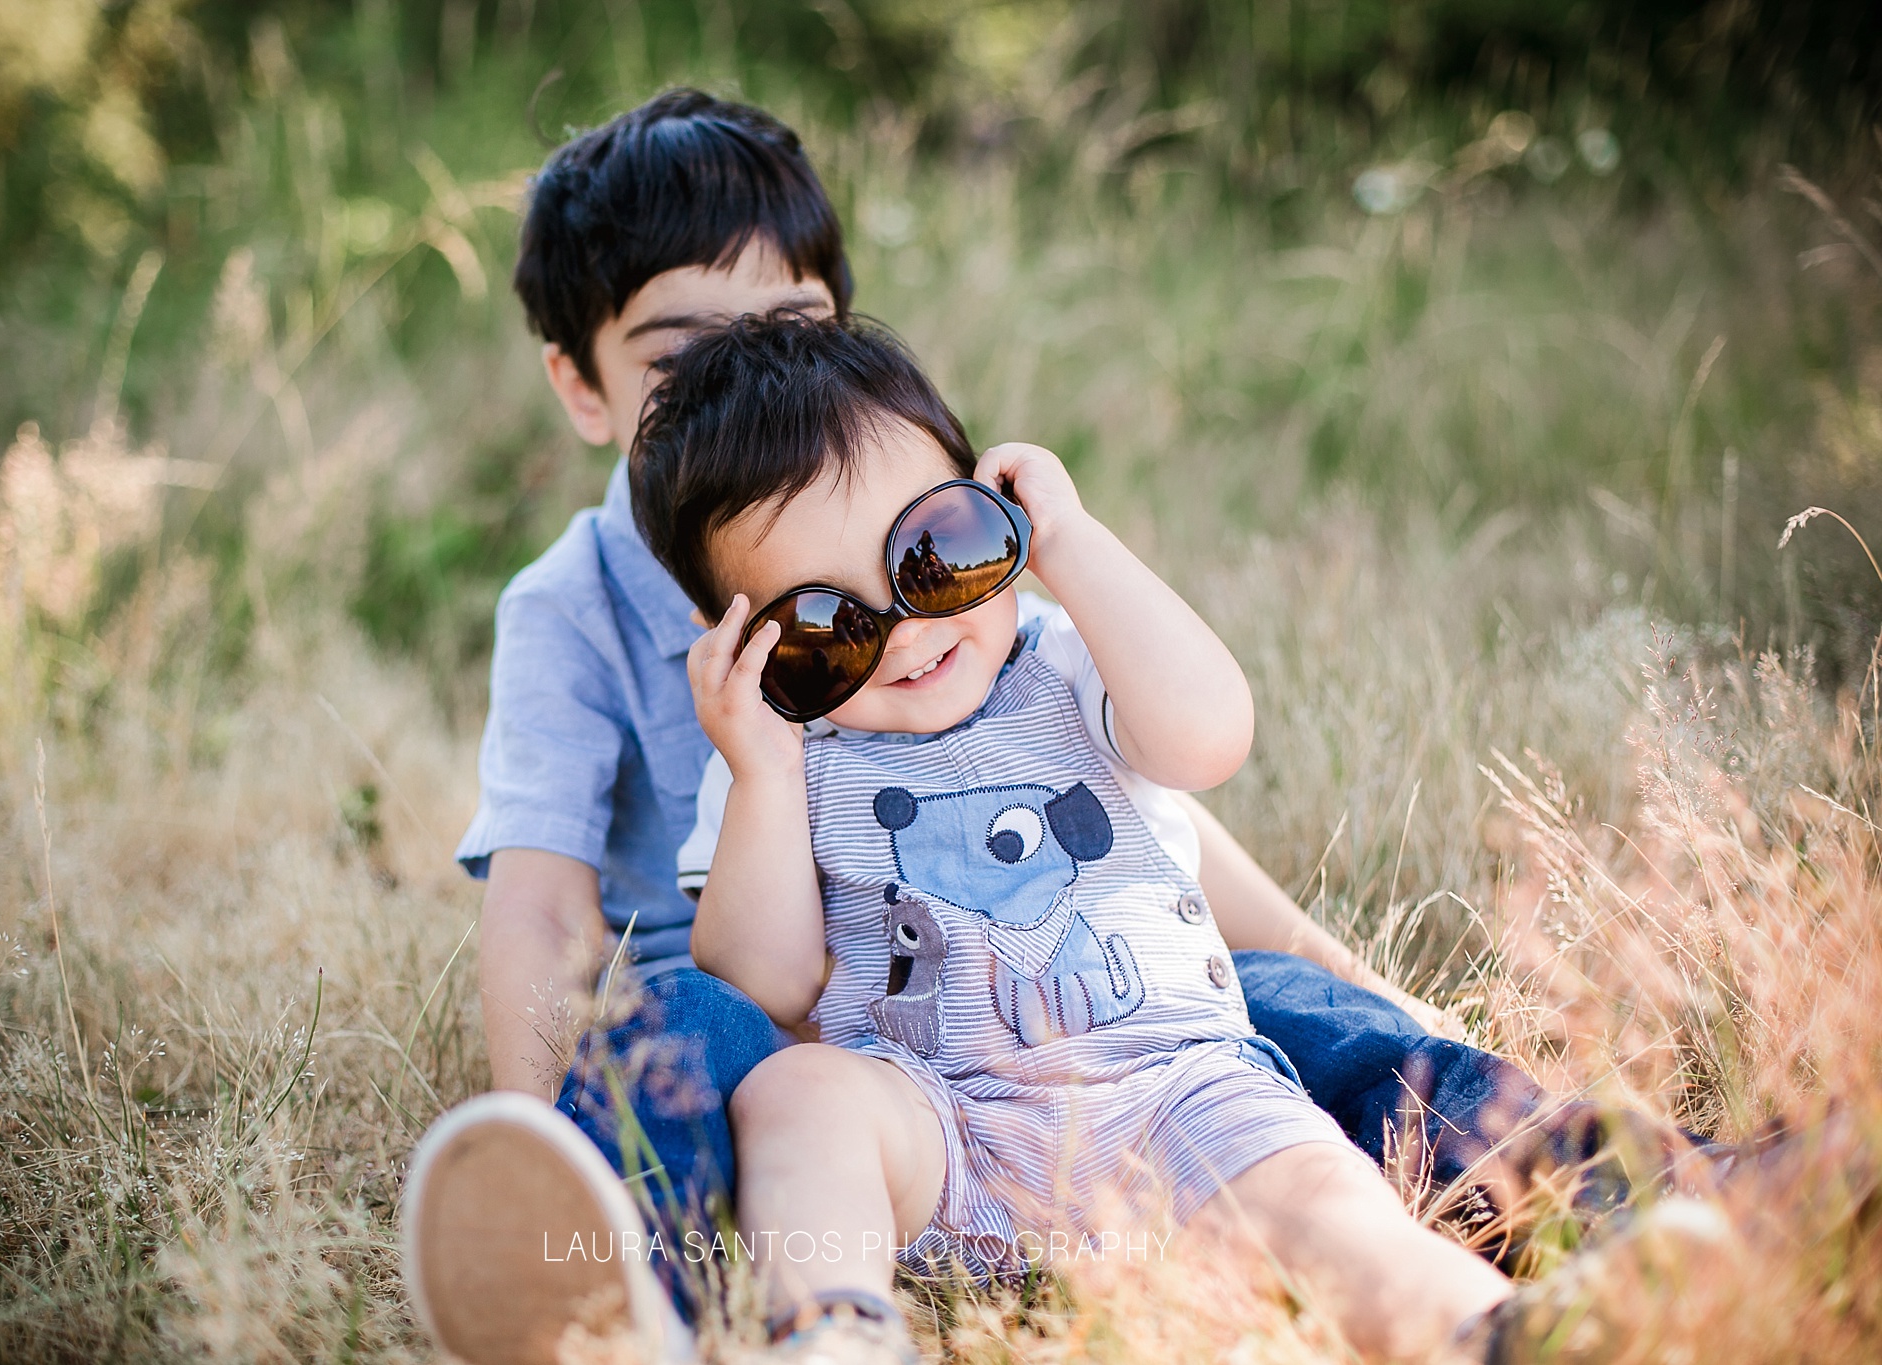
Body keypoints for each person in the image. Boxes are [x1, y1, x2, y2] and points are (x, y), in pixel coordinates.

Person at [398, 89, 1681, 1365]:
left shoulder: (1016, 626)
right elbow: (598, 924)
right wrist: (545, 1124)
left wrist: (1069, 553)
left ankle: (1607, 1235)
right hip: (892, 1081)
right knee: (696, 1047)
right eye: (688, 354)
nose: (896, 627)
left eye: (787, 326)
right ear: (581, 384)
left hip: (1156, 1050)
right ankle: (655, 1286)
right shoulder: (661, 663)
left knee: (1317, 1040)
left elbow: (1177, 794)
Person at [637, 312, 1519, 1363]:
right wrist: (762, 769)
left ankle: (1482, 1329)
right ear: (744, 647)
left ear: (995, 517)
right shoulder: (778, 760)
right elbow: (765, 984)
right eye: (827, 630)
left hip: (1176, 1089)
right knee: (798, 1092)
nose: (908, 631)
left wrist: (1077, 548)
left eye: (936, 556)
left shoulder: (1066, 662)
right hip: (942, 1129)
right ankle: (831, 1330)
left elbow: (1206, 737)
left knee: (1319, 1195)